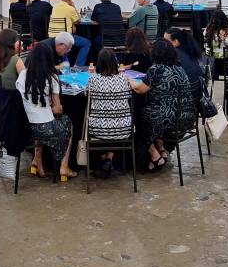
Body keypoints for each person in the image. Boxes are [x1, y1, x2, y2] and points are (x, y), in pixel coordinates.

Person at [15, 40, 75, 181]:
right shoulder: (52, 78)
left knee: (41, 123)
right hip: (45, 129)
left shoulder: (22, 75)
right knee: (67, 122)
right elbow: (58, 109)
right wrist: (49, 108)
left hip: (25, 127)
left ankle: (37, 161)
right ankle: (64, 166)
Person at [86, 49, 149, 177]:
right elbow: (135, 89)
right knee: (117, 124)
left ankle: (103, 160)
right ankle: (109, 158)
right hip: (124, 129)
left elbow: (86, 95)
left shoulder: (93, 79)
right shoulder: (124, 79)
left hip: (98, 129)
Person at [139, 40, 195, 171]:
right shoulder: (180, 69)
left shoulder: (156, 69)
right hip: (187, 117)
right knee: (157, 111)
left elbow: (140, 89)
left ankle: (154, 154)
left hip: (169, 118)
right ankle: (162, 149)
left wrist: (127, 80)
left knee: (138, 117)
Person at [166, 27, 206, 103]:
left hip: (184, 100)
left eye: (166, 41)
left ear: (176, 42)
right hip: (196, 96)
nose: (163, 43)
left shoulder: (174, 55)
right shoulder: (189, 52)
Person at [49, 0, 92, 64]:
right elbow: (78, 21)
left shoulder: (55, 7)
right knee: (87, 43)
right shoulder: (70, 9)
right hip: (64, 37)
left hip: (52, 37)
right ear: (70, 0)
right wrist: (74, 6)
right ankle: (78, 66)